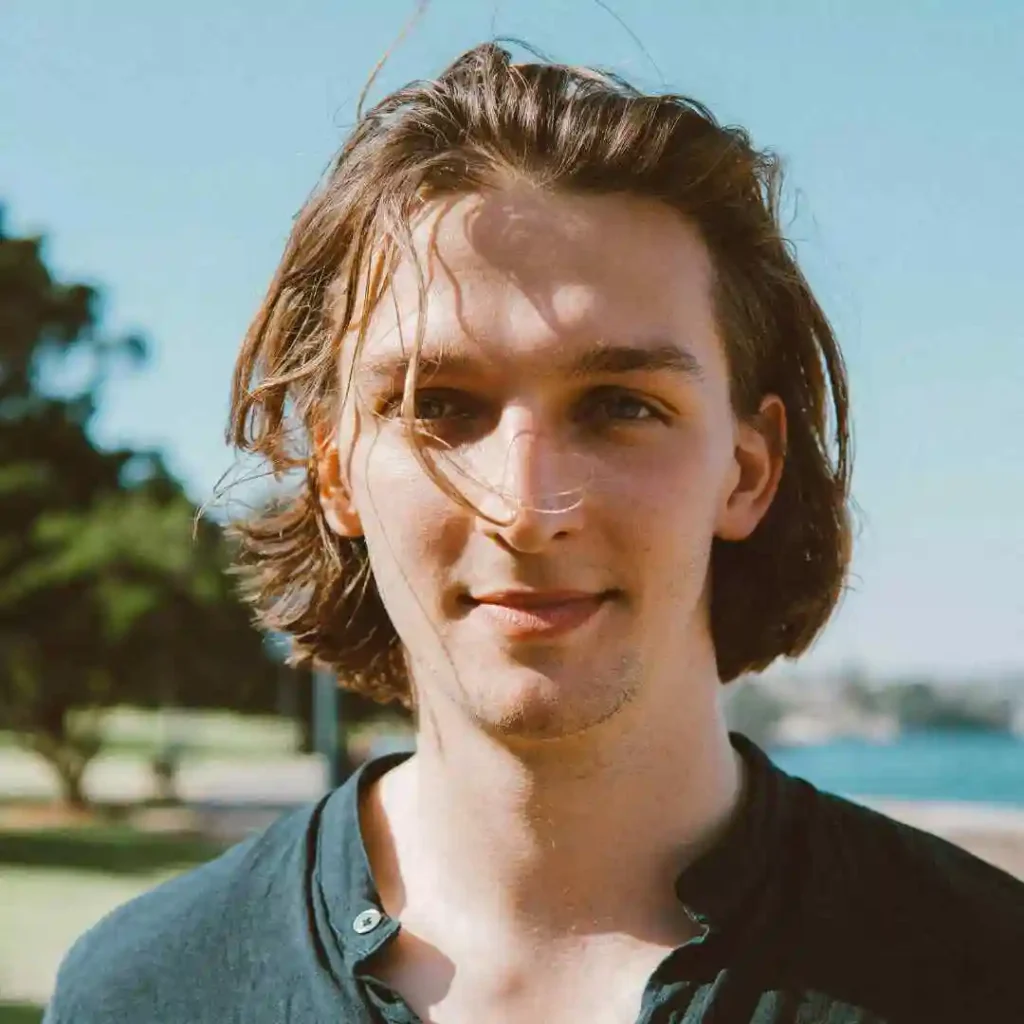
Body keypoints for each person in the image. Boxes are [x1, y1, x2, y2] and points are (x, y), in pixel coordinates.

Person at [44, 42, 1024, 1024]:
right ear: (334, 471)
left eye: (620, 405)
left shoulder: (983, 973)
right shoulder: (146, 993)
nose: (526, 503)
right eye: (439, 404)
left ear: (747, 469)